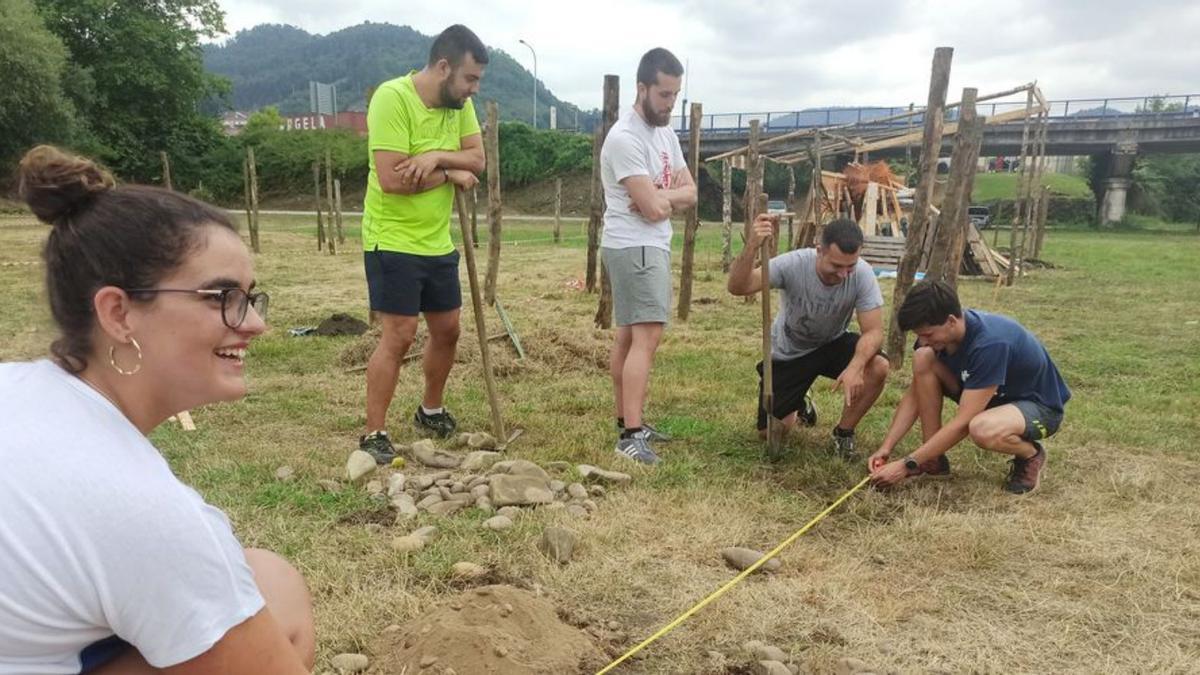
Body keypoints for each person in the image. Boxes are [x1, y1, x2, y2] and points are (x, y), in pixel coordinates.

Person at [0, 146, 314, 673]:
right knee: (274, 599)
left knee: (264, 575)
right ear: (119, 313)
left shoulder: (17, 390)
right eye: (221, 295)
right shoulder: (141, 509)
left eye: (250, 298)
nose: (254, 324)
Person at [359, 24, 488, 463]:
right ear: (443, 66)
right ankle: (374, 432)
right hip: (390, 237)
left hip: (436, 241)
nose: (473, 89)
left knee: (448, 330)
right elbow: (394, 179)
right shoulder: (392, 99)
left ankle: (430, 409)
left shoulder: (459, 107)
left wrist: (434, 157)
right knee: (399, 334)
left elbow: (478, 159)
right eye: (469, 78)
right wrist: (452, 174)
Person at [868, 280, 1070, 493]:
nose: (923, 340)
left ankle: (1030, 454)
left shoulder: (990, 344)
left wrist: (908, 464)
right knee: (922, 357)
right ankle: (933, 459)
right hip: (989, 397)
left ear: (951, 321)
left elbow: (963, 422)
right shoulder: (936, 340)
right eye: (919, 335)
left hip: (1039, 408)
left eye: (928, 334)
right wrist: (886, 447)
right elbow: (914, 396)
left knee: (982, 428)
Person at [600, 47, 697, 465]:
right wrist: (663, 199)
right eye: (663, 95)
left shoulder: (666, 134)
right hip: (634, 244)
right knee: (646, 336)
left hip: (647, 242)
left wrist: (662, 195)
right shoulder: (625, 138)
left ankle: (629, 420)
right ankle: (631, 436)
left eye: (675, 95)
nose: (670, 104)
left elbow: (691, 193)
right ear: (642, 88)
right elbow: (655, 209)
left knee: (629, 336)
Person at [727, 216, 890, 457]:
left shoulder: (863, 274)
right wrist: (751, 246)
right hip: (790, 352)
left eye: (850, 266)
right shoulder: (793, 264)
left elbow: (874, 331)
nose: (844, 274)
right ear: (819, 251)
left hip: (832, 343)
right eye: (836, 266)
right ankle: (801, 403)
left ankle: (843, 434)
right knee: (770, 433)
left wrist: (855, 367)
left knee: (878, 365)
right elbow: (738, 287)